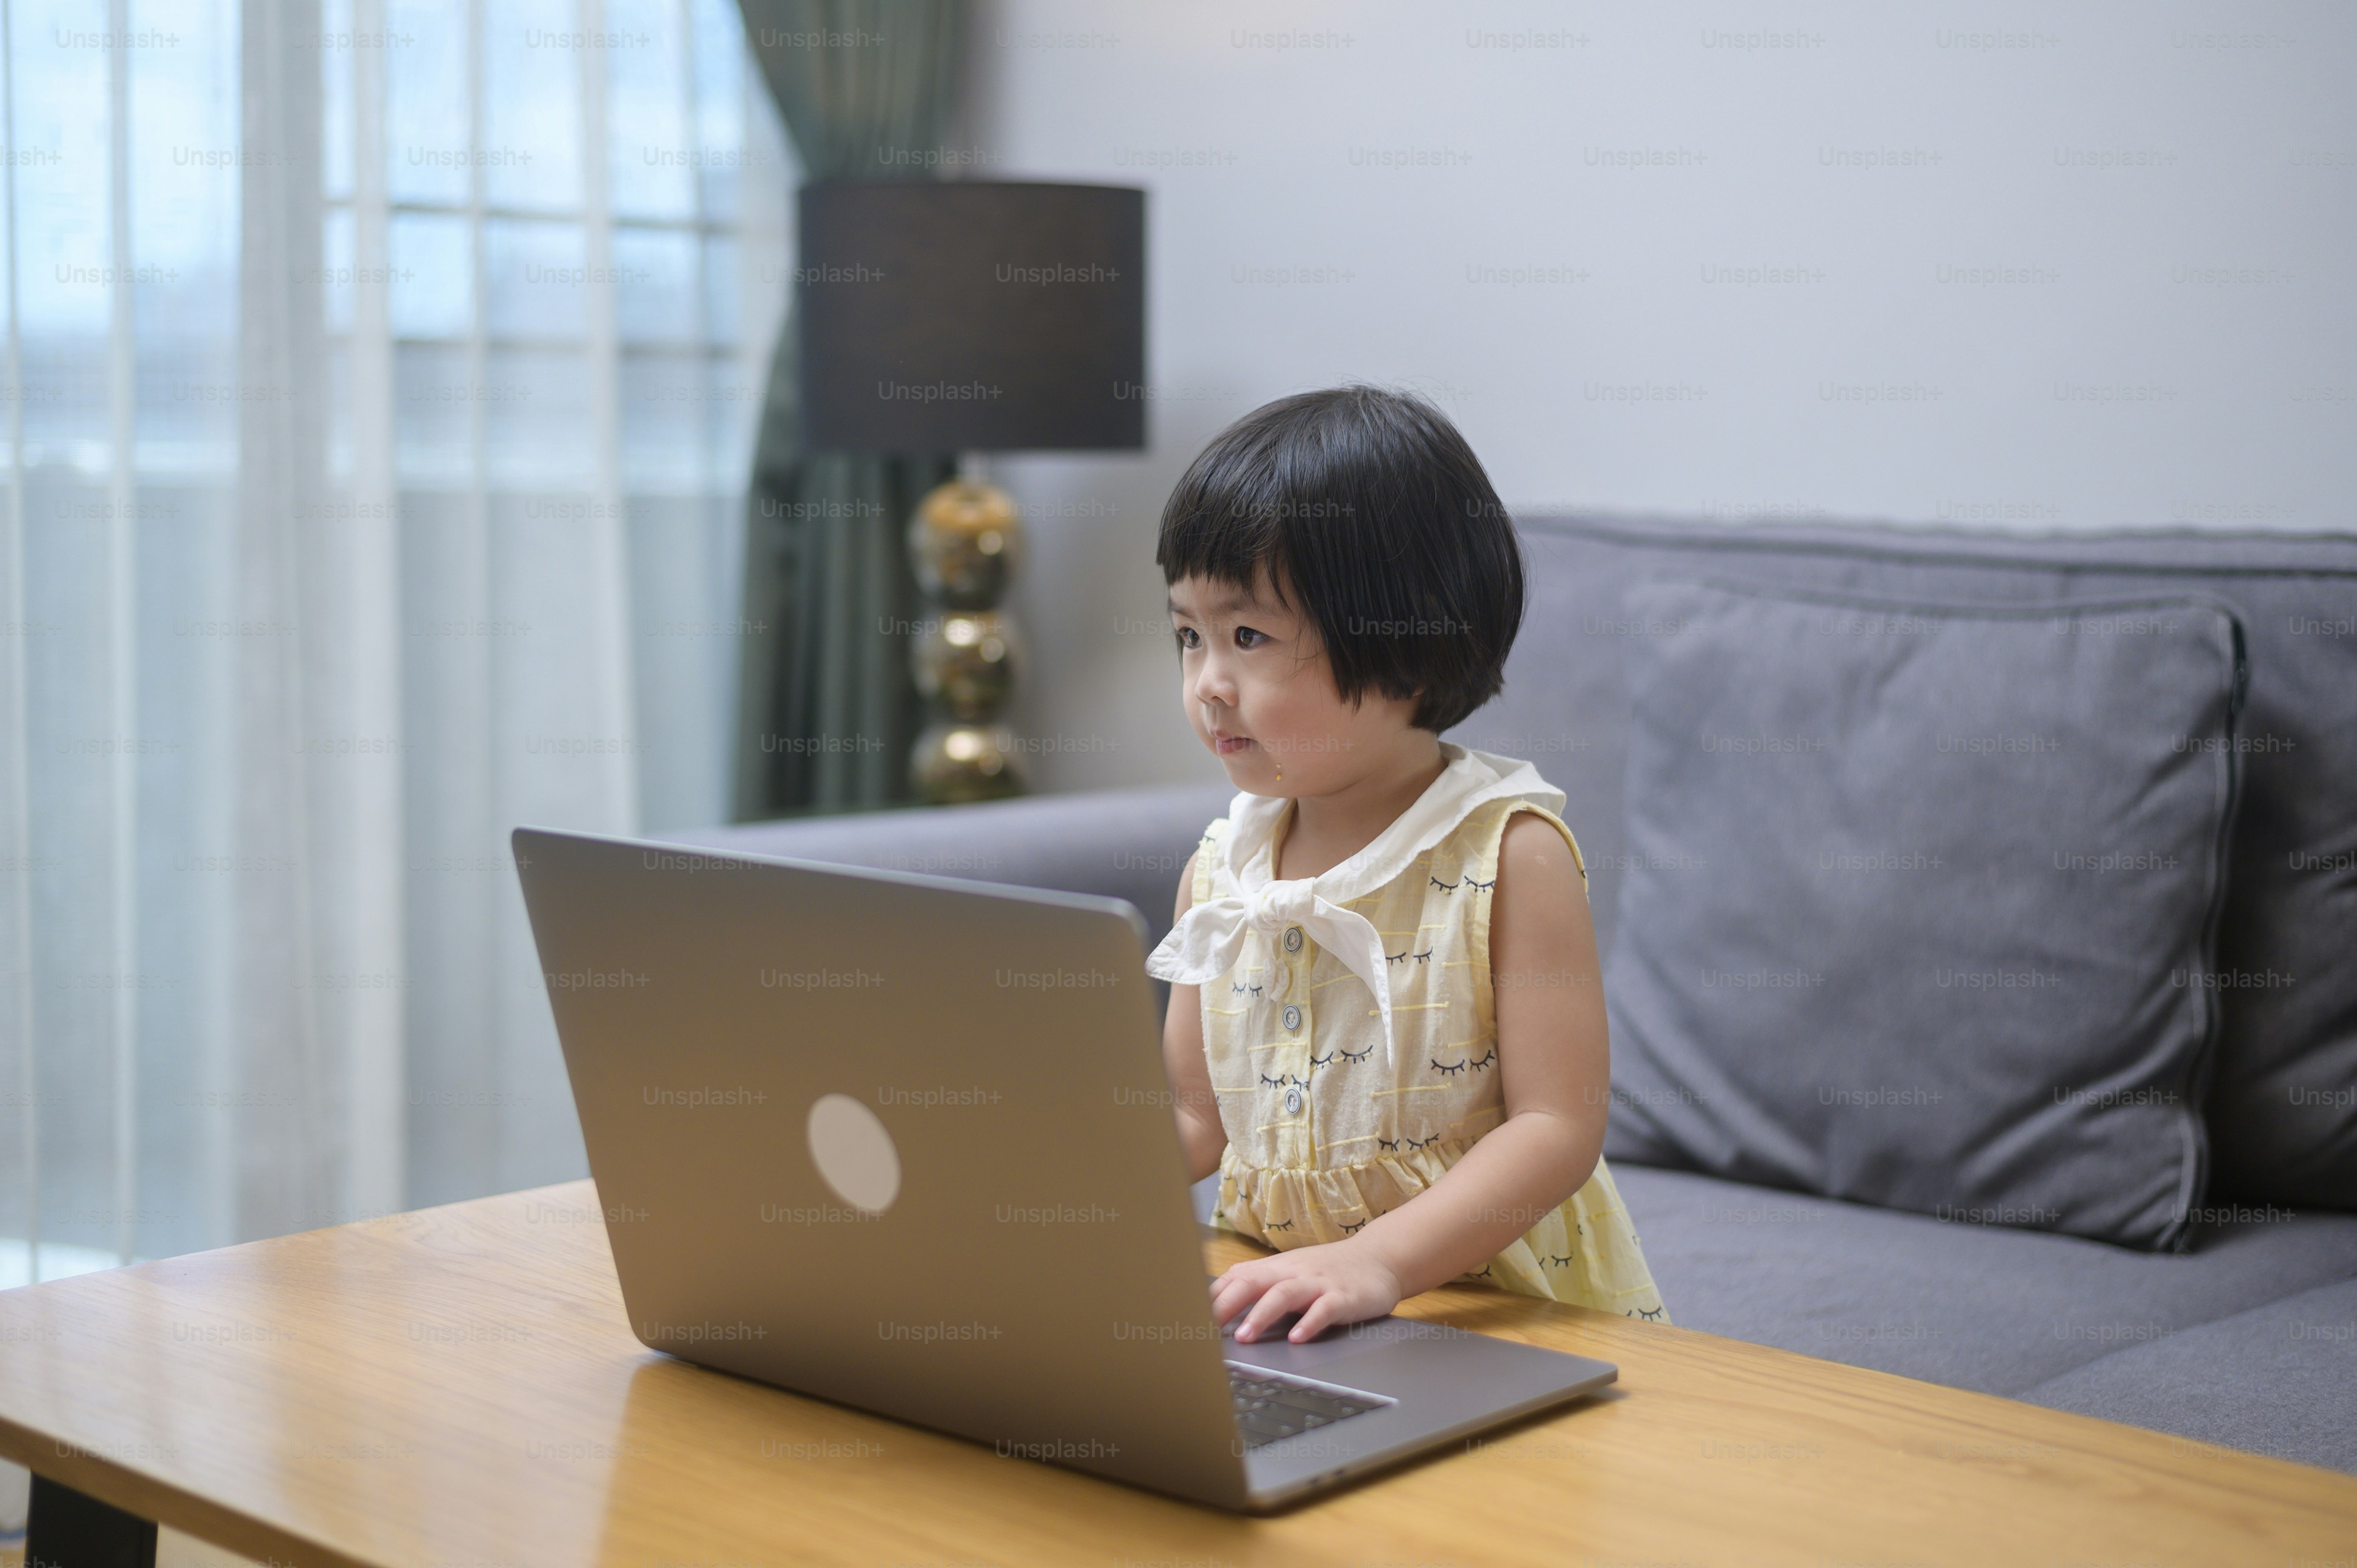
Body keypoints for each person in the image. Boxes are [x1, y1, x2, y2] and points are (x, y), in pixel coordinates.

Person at [1145, 386, 1670, 1345]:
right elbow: (1196, 1122)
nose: (1208, 682)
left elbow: (1558, 1125)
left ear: (1408, 648)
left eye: (1248, 636)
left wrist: (1377, 1259)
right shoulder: (1222, 872)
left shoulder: (1510, 856)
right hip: (1288, 1303)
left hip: (1495, 1307)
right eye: (1190, 636)